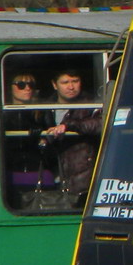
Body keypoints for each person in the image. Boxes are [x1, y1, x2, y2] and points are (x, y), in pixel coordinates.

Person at [44, 69, 103, 202]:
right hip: (53, 175)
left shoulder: (91, 104)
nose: (71, 86)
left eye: (75, 81)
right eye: (65, 82)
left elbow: (100, 124)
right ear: (54, 85)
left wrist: (69, 125)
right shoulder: (44, 107)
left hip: (83, 176)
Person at [3, 73, 54, 189]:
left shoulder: (41, 112)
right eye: (21, 85)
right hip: (10, 170)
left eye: (31, 85)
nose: (27, 88)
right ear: (10, 88)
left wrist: (41, 138)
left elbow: (51, 141)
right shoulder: (3, 113)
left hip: (37, 169)